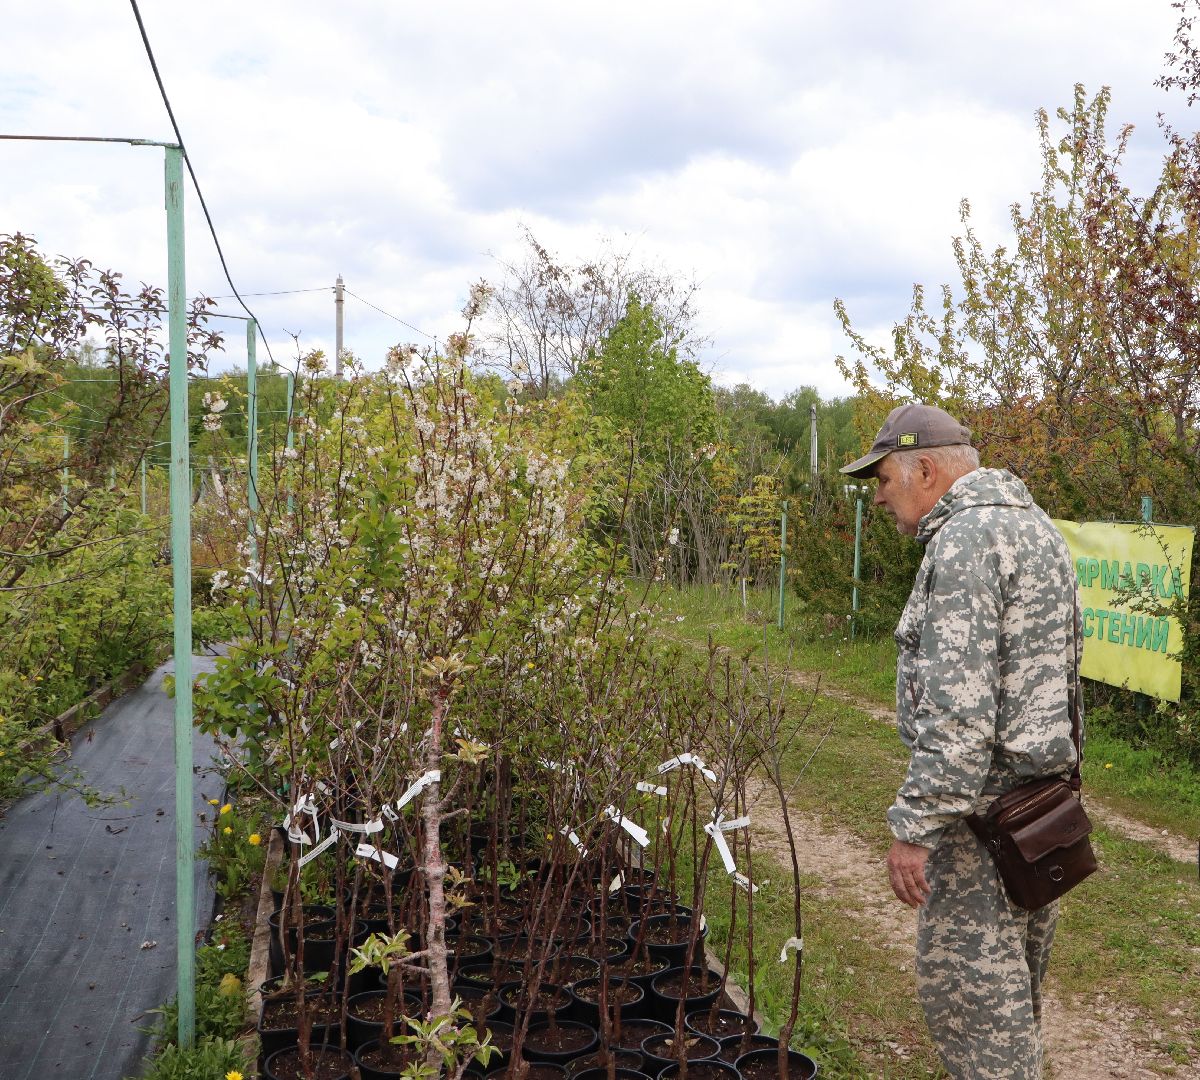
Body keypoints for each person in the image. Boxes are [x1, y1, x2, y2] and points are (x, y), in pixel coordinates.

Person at [841, 402, 1081, 1079]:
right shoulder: (1037, 531)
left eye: (884, 479)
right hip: (1039, 817)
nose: (880, 497)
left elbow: (960, 714)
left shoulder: (965, 542)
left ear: (924, 468)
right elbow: (1066, 683)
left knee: (980, 1027)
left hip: (980, 824)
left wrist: (916, 827)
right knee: (1016, 1009)